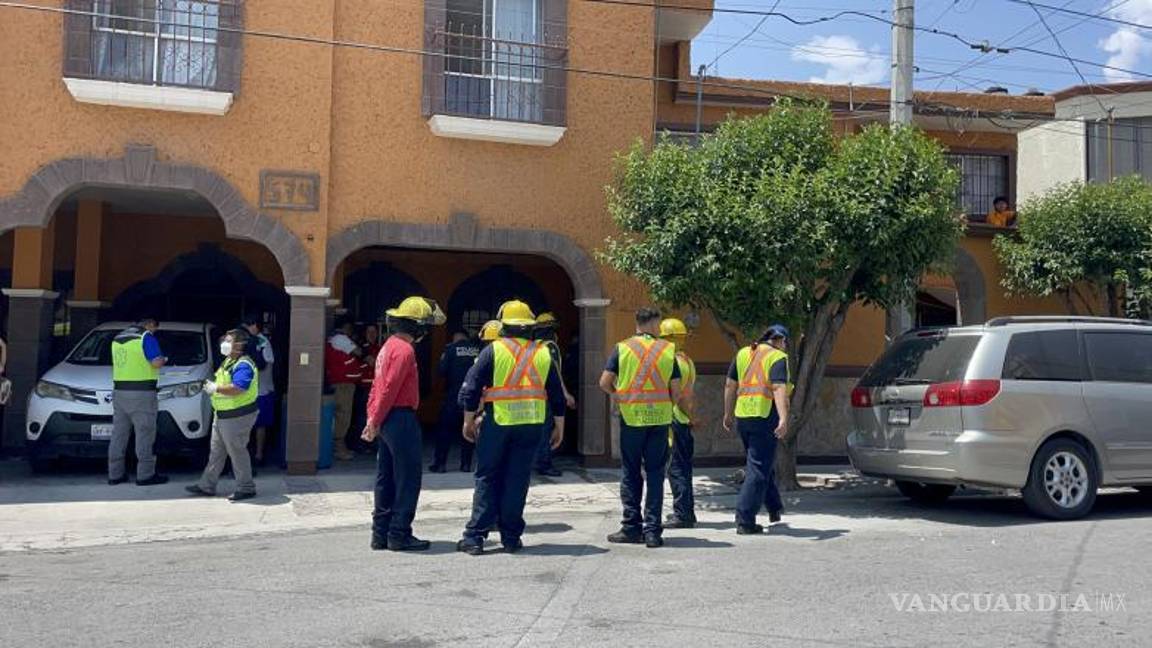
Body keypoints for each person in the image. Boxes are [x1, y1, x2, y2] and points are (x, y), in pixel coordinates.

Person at [456, 301, 566, 555]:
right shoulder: (542, 353)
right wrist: (559, 427)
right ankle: (511, 537)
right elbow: (557, 395)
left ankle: (475, 537)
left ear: (503, 325)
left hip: (499, 422)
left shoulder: (493, 350)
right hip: (532, 425)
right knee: (517, 479)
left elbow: (471, 389)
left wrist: (468, 421)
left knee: (487, 476)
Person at [361, 296, 445, 552]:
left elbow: (378, 386)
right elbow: (390, 387)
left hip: (387, 418)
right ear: (418, 327)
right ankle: (399, 533)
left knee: (385, 477)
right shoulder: (405, 350)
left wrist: (373, 418)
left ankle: (380, 533)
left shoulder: (388, 347)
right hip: (400, 417)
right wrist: (375, 419)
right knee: (408, 477)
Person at [599, 307, 682, 548]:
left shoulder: (622, 348)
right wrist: (666, 404)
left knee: (631, 472)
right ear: (654, 324)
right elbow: (676, 391)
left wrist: (620, 397)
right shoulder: (668, 350)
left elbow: (604, 382)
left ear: (637, 323)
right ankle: (653, 532)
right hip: (659, 420)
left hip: (632, 419)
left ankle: (631, 528)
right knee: (656, 473)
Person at [723, 325, 792, 535]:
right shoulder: (777, 357)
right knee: (758, 468)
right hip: (764, 415)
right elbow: (779, 388)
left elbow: (729, 385)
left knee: (760, 463)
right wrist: (783, 418)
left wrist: (727, 413)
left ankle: (774, 507)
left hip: (743, 416)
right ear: (779, 340)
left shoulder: (744, 352)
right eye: (785, 343)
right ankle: (745, 519)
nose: (785, 347)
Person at [185, 329, 261, 502]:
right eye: (224, 340)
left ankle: (246, 487)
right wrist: (213, 387)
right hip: (223, 415)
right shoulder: (228, 361)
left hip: (237, 416)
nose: (224, 344)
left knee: (237, 452)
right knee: (217, 452)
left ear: (240, 345)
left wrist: (216, 388)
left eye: (229, 341)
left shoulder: (243, 365)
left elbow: (239, 387)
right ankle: (207, 485)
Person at [108, 317, 168, 486]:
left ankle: (115, 474)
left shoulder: (117, 339)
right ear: (149, 324)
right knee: (145, 433)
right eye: (155, 327)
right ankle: (145, 475)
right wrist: (164, 360)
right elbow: (156, 362)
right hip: (142, 392)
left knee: (119, 434)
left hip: (119, 392)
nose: (154, 331)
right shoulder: (146, 337)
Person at [661, 317, 698, 529]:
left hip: (674, 420)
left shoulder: (672, 363)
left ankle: (682, 515)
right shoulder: (688, 362)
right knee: (685, 468)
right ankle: (688, 512)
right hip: (683, 421)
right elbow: (690, 395)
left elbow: (680, 397)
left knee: (676, 469)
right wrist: (692, 417)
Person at [532, 312, 576, 478]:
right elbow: (555, 372)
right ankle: (544, 463)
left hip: (533, 394)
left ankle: (536, 460)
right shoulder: (550, 346)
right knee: (546, 430)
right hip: (548, 394)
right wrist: (565, 393)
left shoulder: (532, 345)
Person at [431, 329, 481, 473]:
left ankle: (440, 464)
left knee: (445, 430)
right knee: (468, 428)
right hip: (473, 395)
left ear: (456, 338)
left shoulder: (451, 349)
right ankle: (466, 464)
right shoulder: (477, 350)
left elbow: (441, 370)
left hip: (454, 394)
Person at [326, 319, 368, 460]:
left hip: (340, 383)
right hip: (343, 384)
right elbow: (358, 351)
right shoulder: (341, 339)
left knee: (340, 415)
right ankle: (338, 449)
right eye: (350, 329)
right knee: (343, 415)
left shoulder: (332, 339)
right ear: (345, 327)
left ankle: (338, 446)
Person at [241, 315, 275, 466]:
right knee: (247, 424)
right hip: (247, 390)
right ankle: (247, 454)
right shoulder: (244, 341)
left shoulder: (263, 342)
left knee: (260, 424)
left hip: (262, 389)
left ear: (254, 326)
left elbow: (267, 364)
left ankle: (259, 454)